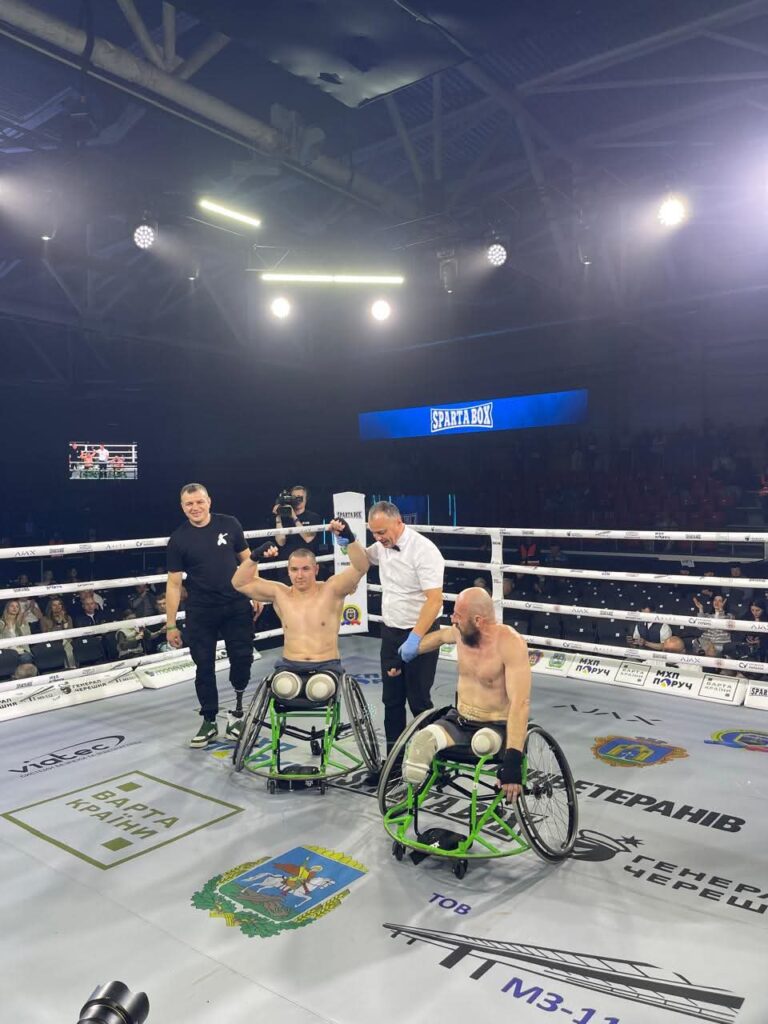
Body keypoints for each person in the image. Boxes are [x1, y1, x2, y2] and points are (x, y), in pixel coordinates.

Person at [401, 587, 531, 803]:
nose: (453, 619)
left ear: (478, 620)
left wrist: (513, 762)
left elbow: (520, 703)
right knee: (420, 744)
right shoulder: (461, 633)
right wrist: (411, 648)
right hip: (459, 722)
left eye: (457, 615)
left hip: (495, 726)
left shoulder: (510, 642)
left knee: (482, 744)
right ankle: (409, 807)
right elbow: (439, 637)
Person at [166, 483, 257, 748]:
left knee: (242, 658)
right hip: (201, 610)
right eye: (189, 504)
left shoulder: (229, 523)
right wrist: (171, 625)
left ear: (209, 501)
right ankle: (208, 720)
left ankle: (237, 714)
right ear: (182, 507)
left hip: (236, 604)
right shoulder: (178, 539)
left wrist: (255, 592)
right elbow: (174, 584)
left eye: (199, 502)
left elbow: (248, 560)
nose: (195, 507)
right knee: (203, 666)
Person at [361, 500, 445, 761]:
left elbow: (434, 600)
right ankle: (393, 765)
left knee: (419, 702)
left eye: (382, 532)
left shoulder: (424, 550)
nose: (378, 538)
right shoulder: (382, 545)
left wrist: (415, 638)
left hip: (421, 632)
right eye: (374, 533)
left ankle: (432, 766)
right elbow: (361, 561)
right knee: (392, 701)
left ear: (399, 522)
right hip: (391, 632)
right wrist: (347, 541)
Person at [231, 517, 367, 677]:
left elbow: (360, 567)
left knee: (320, 688)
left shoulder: (331, 590)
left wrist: (350, 539)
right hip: (289, 665)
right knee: (283, 688)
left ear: (316, 569)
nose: (300, 575)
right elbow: (239, 583)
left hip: (326, 665)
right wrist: (254, 557)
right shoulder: (280, 593)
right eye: (294, 569)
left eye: (305, 569)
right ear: (288, 571)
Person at [272, 484, 322, 562]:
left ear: (306, 499)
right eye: (294, 497)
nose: (297, 500)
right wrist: (278, 516)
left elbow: (308, 538)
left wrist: (294, 516)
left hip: (306, 561)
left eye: (300, 497)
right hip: (287, 562)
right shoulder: (284, 518)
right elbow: (281, 542)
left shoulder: (313, 517)